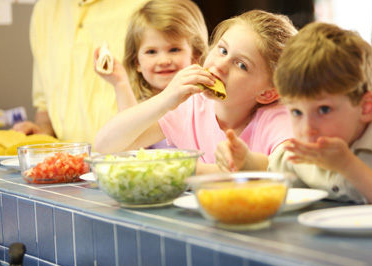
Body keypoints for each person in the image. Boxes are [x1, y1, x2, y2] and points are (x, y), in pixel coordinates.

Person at [12, 0, 183, 147]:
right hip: (69, 176)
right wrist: (39, 130)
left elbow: (193, 100)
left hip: (142, 173)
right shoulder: (44, 10)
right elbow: (45, 108)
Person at [95, 10, 298, 175]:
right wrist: (165, 99)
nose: (220, 65)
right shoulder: (191, 108)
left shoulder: (277, 117)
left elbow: (289, 170)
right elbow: (106, 145)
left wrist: (197, 171)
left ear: (268, 93)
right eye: (223, 50)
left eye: (241, 65)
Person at [254, 22, 372, 204]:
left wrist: (347, 165)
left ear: (365, 107)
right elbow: (268, 175)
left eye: (323, 110)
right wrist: (243, 161)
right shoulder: (303, 153)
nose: (307, 128)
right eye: (296, 112)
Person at [94, 0, 209, 148]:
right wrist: (120, 82)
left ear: (195, 56)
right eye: (151, 52)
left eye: (174, 49)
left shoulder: (200, 102)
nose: (163, 60)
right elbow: (127, 143)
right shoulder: (144, 104)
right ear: (137, 63)